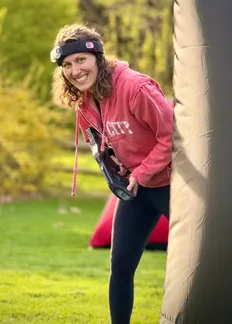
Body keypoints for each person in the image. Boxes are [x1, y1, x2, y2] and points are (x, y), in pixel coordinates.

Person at [51, 23, 173, 324]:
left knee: (210, 261)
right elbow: (102, 141)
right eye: (67, 64)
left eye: (81, 60)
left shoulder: (135, 87)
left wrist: (140, 173)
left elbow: (172, 137)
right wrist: (113, 162)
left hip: (175, 185)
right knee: (120, 265)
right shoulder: (84, 100)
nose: (75, 70)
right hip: (137, 189)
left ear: (98, 57)